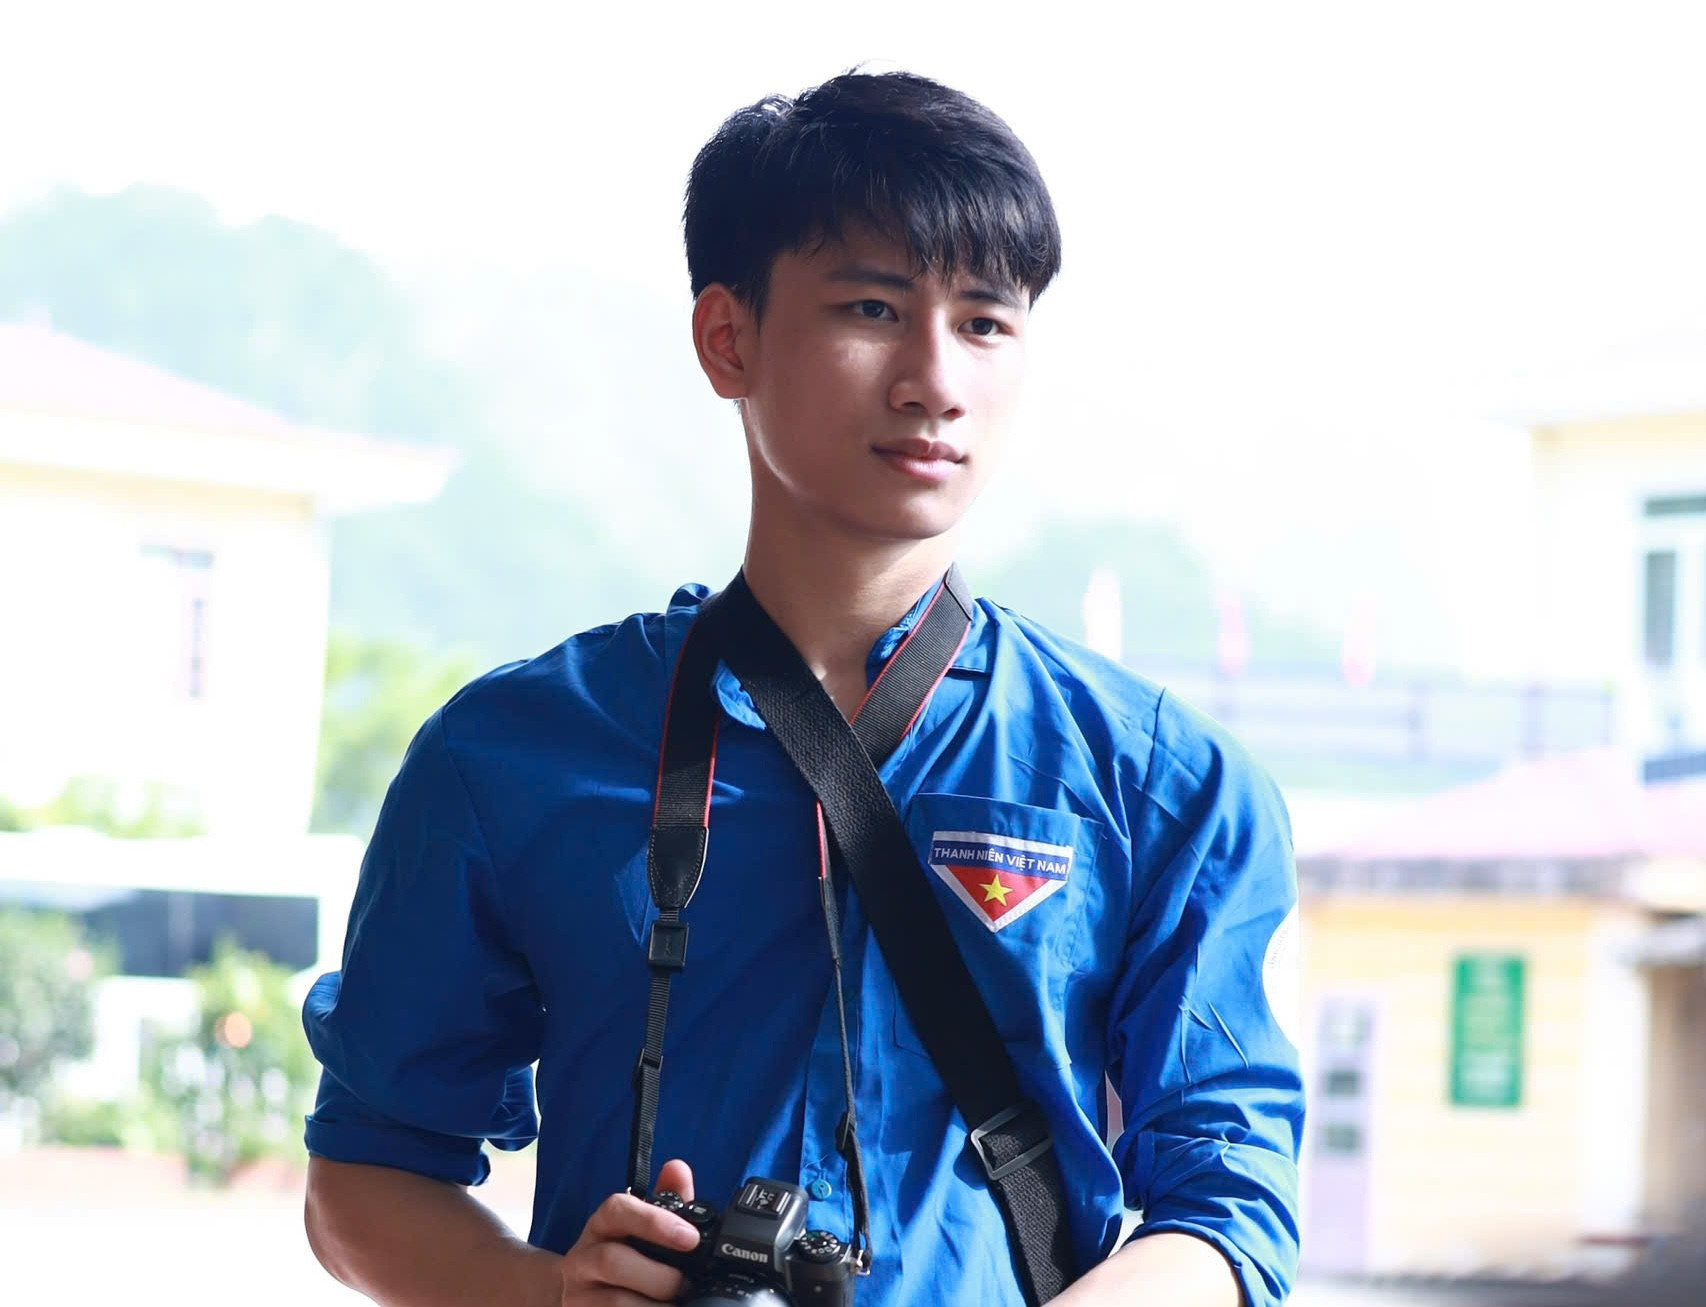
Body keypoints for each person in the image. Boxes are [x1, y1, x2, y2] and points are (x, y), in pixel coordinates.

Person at [302, 70, 1304, 1307]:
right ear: (727, 339)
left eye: (984, 323)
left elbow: (1231, 1204)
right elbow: (362, 1175)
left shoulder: (1162, 783)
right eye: (873, 308)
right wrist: (546, 1294)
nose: (934, 379)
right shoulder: (509, 754)